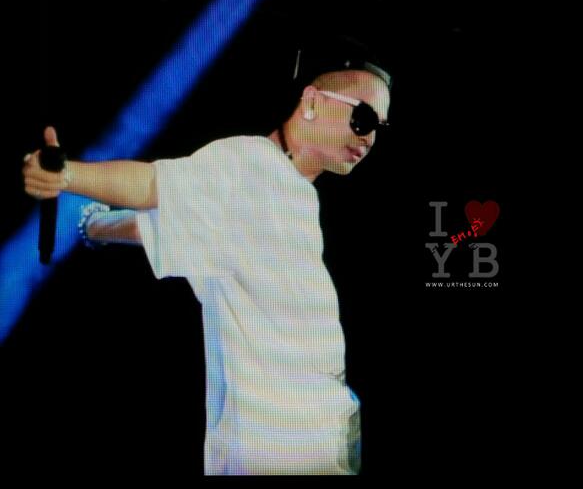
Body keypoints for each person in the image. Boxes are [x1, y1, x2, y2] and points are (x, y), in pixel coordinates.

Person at [22, 36, 392, 475]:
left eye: (379, 127)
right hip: (271, 452)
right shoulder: (247, 163)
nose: (370, 137)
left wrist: (93, 225)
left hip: (324, 445)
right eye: (363, 117)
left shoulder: (294, 195)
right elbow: (152, 185)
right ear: (311, 101)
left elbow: (175, 220)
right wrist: (67, 174)